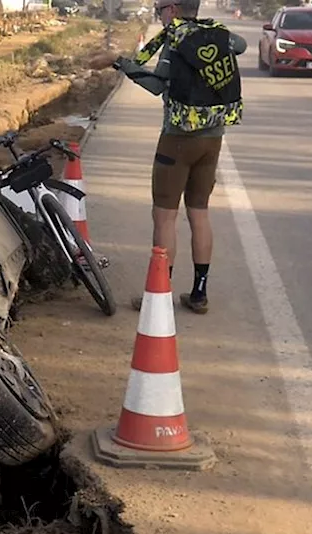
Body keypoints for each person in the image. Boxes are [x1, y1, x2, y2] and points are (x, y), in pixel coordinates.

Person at [88, 0, 245, 314]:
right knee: (199, 213)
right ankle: (199, 294)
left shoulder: (174, 43)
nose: (158, 15)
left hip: (177, 140)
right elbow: (239, 45)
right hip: (213, 138)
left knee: (165, 217)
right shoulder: (219, 34)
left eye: (160, 9)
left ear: (173, 9)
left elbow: (156, 85)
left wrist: (120, 62)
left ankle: (160, 295)